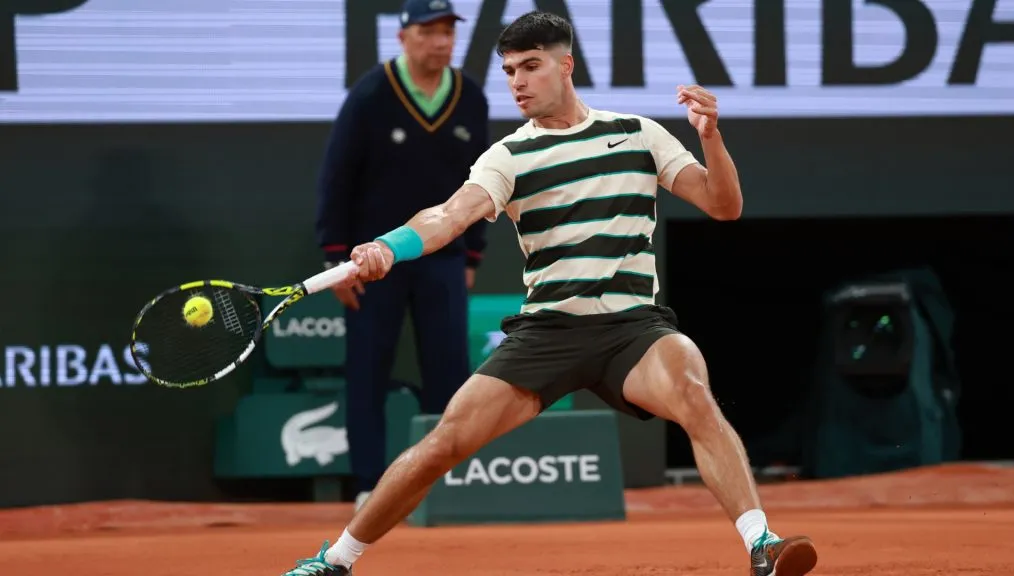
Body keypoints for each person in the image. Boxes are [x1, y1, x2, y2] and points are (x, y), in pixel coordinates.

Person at [286, 10, 818, 576]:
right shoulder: (508, 156)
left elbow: (723, 205)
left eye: (531, 66)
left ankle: (762, 543)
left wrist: (711, 138)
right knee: (443, 443)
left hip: (632, 331)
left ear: (566, 66)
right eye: (510, 70)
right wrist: (389, 247)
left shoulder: (639, 134)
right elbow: (448, 216)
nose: (517, 81)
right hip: (547, 334)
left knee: (692, 388)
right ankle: (335, 560)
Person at [314, 0, 490, 509]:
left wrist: (472, 255)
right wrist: (335, 260)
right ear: (403, 36)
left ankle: (445, 484)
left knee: (450, 371)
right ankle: (369, 484)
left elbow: (482, 179)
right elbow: (336, 178)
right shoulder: (370, 94)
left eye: (448, 32)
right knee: (368, 369)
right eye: (429, 32)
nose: (441, 42)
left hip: (444, 259)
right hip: (373, 262)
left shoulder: (470, 97)